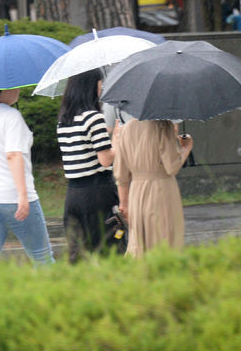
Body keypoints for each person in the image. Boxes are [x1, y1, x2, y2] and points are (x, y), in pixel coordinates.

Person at [0, 88, 55, 269]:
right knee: (41, 255)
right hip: (11, 196)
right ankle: (58, 296)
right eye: (14, 86)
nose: (18, 89)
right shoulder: (11, 116)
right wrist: (22, 195)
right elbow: (13, 155)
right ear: (1, 90)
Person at [57, 69, 124, 263]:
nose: (102, 87)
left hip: (73, 194)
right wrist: (118, 139)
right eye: (100, 83)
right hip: (97, 193)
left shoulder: (64, 120)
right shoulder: (93, 118)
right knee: (107, 249)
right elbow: (106, 159)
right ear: (90, 85)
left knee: (77, 253)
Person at [114, 119, 193, 257]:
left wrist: (124, 203)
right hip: (161, 190)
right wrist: (185, 148)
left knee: (140, 243)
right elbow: (172, 166)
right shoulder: (163, 126)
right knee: (165, 241)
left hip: (136, 192)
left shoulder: (126, 129)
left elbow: (122, 175)